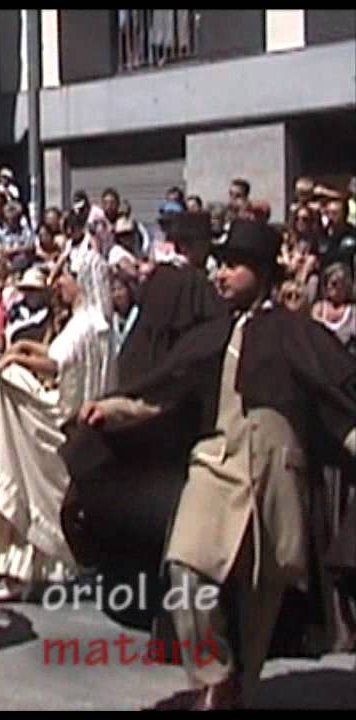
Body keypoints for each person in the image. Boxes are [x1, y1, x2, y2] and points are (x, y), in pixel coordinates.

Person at [74, 220, 356, 709]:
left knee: (256, 606)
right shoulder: (212, 335)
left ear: (264, 271)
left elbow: (339, 406)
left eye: (234, 264)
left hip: (275, 477)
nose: (221, 274)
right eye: (219, 263)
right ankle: (214, 671)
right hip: (214, 466)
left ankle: (232, 696)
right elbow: (168, 393)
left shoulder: (296, 332)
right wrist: (116, 409)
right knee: (186, 571)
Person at [0, 253, 117, 603]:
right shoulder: (92, 323)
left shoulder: (87, 325)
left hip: (54, 419)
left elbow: (56, 365)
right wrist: (26, 346)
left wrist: (17, 358)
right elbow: (59, 354)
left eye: (65, 277)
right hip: (67, 417)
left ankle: (24, 571)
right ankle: (25, 569)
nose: (58, 283)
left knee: (8, 385)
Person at [118, 212, 228, 388]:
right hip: (167, 379)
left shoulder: (157, 276)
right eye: (204, 242)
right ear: (186, 245)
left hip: (135, 367)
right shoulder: (195, 283)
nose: (208, 249)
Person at [4, 266, 55, 348]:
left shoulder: (49, 316)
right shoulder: (15, 310)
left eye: (34, 290)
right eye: (26, 289)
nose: (30, 294)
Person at [312, 262, 356, 353]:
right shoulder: (318, 309)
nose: (329, 286)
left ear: (345, 284)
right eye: (326, 283)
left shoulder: (353, 312)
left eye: (334, 283)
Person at [110, 270, 141, 349]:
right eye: (113, 290)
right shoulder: (112, 318)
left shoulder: (139, 314)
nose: (117, 294)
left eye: (120, 288)